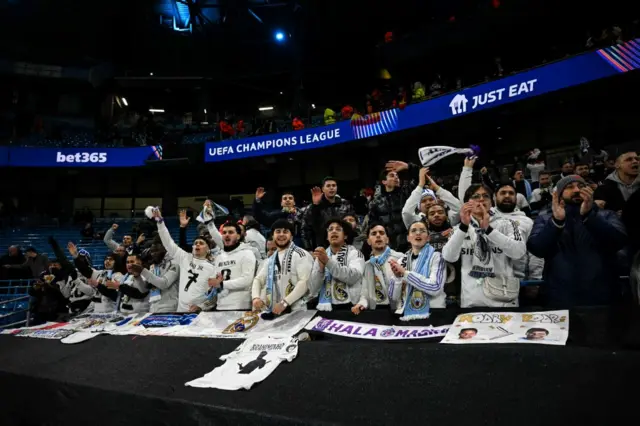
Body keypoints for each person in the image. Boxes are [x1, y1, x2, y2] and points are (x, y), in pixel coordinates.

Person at [527, 175, 628, 307]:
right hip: (560, 297)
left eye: (581, 186)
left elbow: (618, 241)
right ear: (559, 194)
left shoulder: (606, 215)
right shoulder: (546, 219)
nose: (576, 190)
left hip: (602, 296)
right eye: (569, 187)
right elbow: (536, 248)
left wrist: (589, 216)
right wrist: (556, 222)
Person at [442, 184, 528, 308]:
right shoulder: (458, 230)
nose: (481, 199)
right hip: (472, 300)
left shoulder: (508, 224)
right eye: (476, 196)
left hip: (504, 300)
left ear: (491, 203)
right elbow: (449, 257)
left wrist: (489, 230)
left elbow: (519, 251)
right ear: (467, 203)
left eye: (485, 196)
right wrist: (463, 227)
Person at [153, 207, 217, 312]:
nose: (197, 245)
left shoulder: (212, 268)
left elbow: (214, 294)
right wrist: (160, 222)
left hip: (200, 313)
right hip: (180, 311)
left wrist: (201, 307)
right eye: (195, 243)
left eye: (201, 243)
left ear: (208, 249)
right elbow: (168, 242)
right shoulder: (185, 258)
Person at [388, 221, 447, 319]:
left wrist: (405, 273)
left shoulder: (437, 257)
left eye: (422, 231)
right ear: (408, 238)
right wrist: (397, 278)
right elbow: (393, 298)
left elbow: (435, 287)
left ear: (428, 238)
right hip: (405, 313)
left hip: (433, 312)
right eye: (413, 231)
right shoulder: (401, 261)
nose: (418, 233)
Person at [252, 219, 312, 315]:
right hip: (274, 310)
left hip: (296, 310)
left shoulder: (301, 254)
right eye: (278, 231)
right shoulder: (271, 259)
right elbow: (258, 279)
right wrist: (255, 297)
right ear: (273, 236)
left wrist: (285, 302)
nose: (281, 234)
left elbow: (305, 282)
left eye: (285, 231)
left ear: (291, 237)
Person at [309, 218, 365, 311]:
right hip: (327, 307)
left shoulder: (355, 253)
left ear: (345, 236)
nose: (334, 231)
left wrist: (328, 262)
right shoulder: (321, 255)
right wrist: (320, 270)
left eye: (338, 229)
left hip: (350, 306)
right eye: (330, 229)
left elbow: (353, 277)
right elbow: (313, 289)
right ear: (327, 237)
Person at [352, 223, 404, 314]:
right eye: (374, 233)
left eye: (381, 233)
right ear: (368, 241)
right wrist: (361, 303)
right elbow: (365, 292)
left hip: (398, 310)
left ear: (387, 239)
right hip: (376, 311)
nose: (378, 235)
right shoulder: (367, 265)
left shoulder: (400, 258)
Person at [207, 222, 257, 311]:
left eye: (230, 232)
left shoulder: (247, 253)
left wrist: (222, 284)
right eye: (224, 232)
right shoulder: (219, 256)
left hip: (241, 306)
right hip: (220, 305)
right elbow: (217, 281)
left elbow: (247, 280)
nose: (227, 235)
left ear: (238, 236)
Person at [70, 242, 124, 313]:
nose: (107, 261)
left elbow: (115, 296)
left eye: (111, 259)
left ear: (116, 262)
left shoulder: (118, 276)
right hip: (97, 312)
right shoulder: (100, 273)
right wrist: (75, 256)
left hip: (110, 312)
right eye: (106, 259)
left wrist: (98, 285)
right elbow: (85, 270)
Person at [303, 177, 356, 249]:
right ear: (323, 189)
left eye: (334, 185)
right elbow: (305, 229)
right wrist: (308, 248)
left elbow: (353, 224)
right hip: (322, 246)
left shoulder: (345, 204)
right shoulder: (313, 206)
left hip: (344, 245)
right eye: (328, 186)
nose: (331, 188)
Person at [368, 168, 412, 250]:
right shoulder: (375, 203)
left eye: (397, 176)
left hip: (408, 244)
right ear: (384, 182)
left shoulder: (406, 195)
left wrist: (408, 167)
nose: (396, 178)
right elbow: (372, 226)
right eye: (392, 176)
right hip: (387, 246)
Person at [132, 240, 180, 313]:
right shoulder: (153, 266)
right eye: (151, 251)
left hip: (169, 308)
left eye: (156, 250)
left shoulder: (174, 263)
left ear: (164, 249)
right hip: (153, 307)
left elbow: (164, 283)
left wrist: (143, 271)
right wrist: (137, 277)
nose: (153, 254)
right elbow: (144, 290)